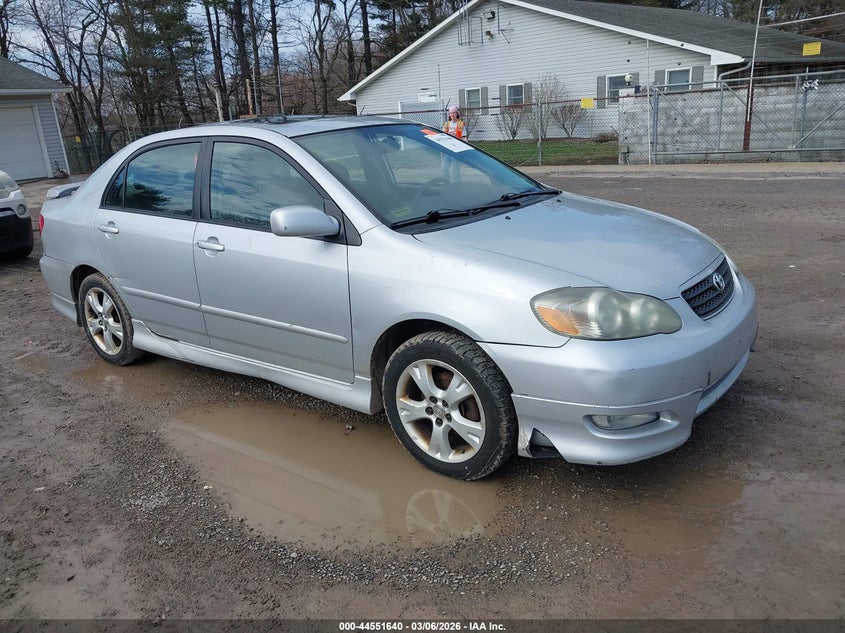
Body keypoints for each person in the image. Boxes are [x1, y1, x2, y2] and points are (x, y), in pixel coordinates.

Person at [441, 105, 464, 182]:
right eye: (451, 113)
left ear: (457, 113)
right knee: (444, 167)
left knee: (455, 168)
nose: (452, 115)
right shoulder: (447, 124)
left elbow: (464, 138)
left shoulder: (460, 124)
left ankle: (458, 184)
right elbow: (442, 136)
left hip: (456, 150)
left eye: (454, 113)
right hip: (448, 150)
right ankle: (446, 182)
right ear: (449, 114)